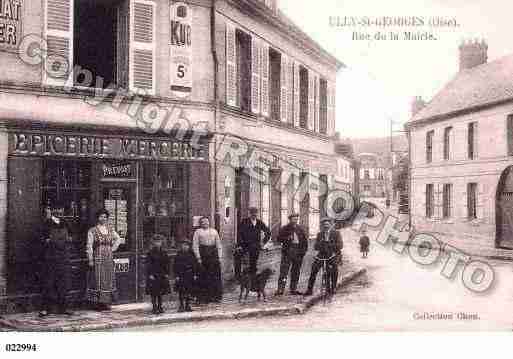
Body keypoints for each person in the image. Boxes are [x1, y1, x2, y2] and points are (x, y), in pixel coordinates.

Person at [39, 202, 74, 317]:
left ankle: (64, 307)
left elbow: (72, 236)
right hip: (50, 257)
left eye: (61, 209)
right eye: (57, 209)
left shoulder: (66, 222)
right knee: (48, 283)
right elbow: (42, 238)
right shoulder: (47, 223)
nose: (59, 211)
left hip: (63, 256)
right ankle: (46, 308)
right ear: (52, 210)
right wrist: (48, 241)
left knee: (63, 282)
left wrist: (69, 240)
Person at [86, 208, 122, 310]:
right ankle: (98, 303)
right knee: (98, 279)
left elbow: (118, 239)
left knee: (108, 279)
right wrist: (90, 259)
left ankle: (106, 302)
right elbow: (89, 245)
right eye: (101, 216)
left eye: (105, 217)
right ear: (97, 218)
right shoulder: (92, 230)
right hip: (98, 257)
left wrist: (112, 248)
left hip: (108, 258)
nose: (103, 218)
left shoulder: (110, 229)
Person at [304, 218, 343, 296]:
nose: (326, 227)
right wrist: (321, 243)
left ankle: (333, 287)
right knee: (314, 270)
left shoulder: (336, 233)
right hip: (321, 255)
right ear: (322, 226)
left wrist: (330, 244)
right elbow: (316, 247)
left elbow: (340, 245)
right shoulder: (320, 234)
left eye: (327, 225)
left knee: (334, 269)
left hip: (332, 254)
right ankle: (309, 289)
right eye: (324, 225)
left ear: (331, 225)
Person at [275, 213, 308, 296]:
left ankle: (293, 289)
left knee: (296, 271)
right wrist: (287, 238)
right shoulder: (285, 228)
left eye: (296, 219)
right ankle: (280, 289)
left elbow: (304, 241)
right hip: (288, 252)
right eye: (294, 219)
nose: (295, 220)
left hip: (298, 252)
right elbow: (278, 239)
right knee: (284, 271)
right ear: (290, 219)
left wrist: (303, 252)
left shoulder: (300, 229)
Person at [235, 207, 271, 280]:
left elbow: (268, 232)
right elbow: (239, 234)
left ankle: (252, 278)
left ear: (257, 214)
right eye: (252, 213)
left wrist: (263, 242)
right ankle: (238, 277)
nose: (254, 215)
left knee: (253, 262)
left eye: (255, 213)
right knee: (237, 256)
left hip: (255, 246)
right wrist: (239, 245)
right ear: (249, 214)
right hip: (245, 245)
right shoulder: (244, 221)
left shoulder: (260, 222)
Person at [192, 217, 223, 303]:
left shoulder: (214, 231)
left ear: (209, 222)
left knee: (214, 276)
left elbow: (219, 245)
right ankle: (204, 297)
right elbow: (195, 245)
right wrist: (198, 257)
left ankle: (215, 296)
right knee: (203, 276)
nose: (205, 223)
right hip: (203, 254)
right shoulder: (198, 232)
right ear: (200, 223)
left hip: (213, 255)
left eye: (207, 221)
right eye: (203, 222)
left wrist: (219, 257)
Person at [146, 234, 171, 314]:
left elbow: (167, 263)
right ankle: (154, 307)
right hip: (153, 274)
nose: (158, 243)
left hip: (161, 274)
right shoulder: (150, 253)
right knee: (153, 292)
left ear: (161, 243)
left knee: (160, 292)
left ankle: (160, 306)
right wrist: (150, 274)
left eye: (159, 242)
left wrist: (167, 273)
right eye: (156, 242)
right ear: (153, 243)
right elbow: (148, 264)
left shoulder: (164, 252)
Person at [173, 239, 199, 312]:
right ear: (181, 246)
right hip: (181, 275)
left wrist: (195, 274)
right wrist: (176, 275)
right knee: (181, 291)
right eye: (184, 245)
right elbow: (175, 266)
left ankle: (187, 305)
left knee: (189, 291)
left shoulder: (191, 254)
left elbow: (195, 265)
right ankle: (181, 305)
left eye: (187, 245)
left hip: (189, 275)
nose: (185, 247)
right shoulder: (178, 255)